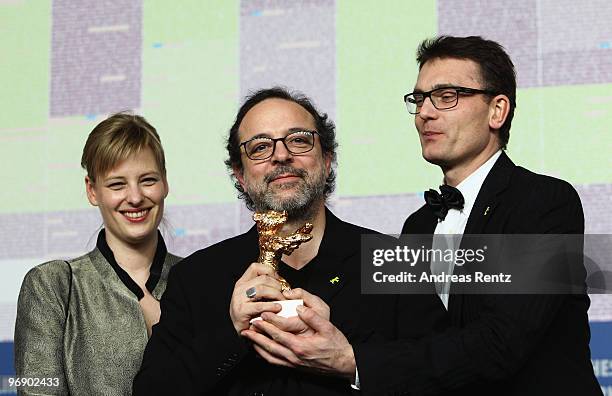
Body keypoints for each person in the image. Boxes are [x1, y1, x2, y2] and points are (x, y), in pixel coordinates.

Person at [241, 37, 602, 395]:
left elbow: (501, 344)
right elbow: (411, 342)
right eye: (420, 99)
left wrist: (354, 361)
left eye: (448, 96)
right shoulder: (418, 225)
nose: (426, 112)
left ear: (498, 110)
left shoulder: (544, 202)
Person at [133, 87, 447, 395]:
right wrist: (231, 333)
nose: (281, 155)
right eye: (260, 147)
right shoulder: (197, 277)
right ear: (240, 174)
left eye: (298, 140)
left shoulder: (395, 261)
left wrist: (350, 362)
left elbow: (441, 378)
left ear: (326, 161)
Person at [14, 113, 181, 395]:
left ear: (165, 182)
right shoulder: (51, 286)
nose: (136, 197)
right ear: (92, 191)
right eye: (117, 184)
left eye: (148, 180)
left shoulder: (202, 280)